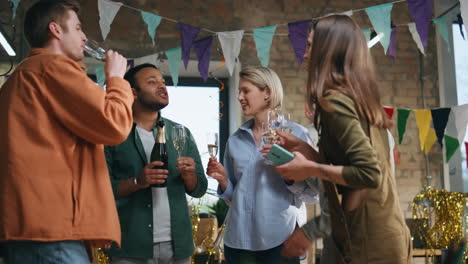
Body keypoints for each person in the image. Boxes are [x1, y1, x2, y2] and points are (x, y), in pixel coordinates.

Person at [0, 0, 133, 263]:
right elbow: (114, 124)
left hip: (24, 227)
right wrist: (117, 79)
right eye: (78, 27)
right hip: (52, 231)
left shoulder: (17, 79)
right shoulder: (53, 68)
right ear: (56, 30)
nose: (84, 36)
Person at [273, 15, 412, 264]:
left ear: (328, 51)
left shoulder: (334, 101)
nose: (304, 55)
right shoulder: (355, 98)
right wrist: (306, 149)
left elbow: (369, 173)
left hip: (370, 244)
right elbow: (351, 171)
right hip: (376, 235)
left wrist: (308, 168)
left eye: (309, 46)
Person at [206, 66, 319, 264]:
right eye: (239, 91)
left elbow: (313, 194)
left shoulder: (296, 135)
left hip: (280, 240)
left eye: (246, 91)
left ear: (267, 92)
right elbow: (235, 198)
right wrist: (223, 180)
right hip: (238, 241)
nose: (239, 97)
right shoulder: (235, 140)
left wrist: (288, 175)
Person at [105, 63, 208, 264]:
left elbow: (199, 189)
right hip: (130, 246)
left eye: (163, 81)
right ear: (133, 93)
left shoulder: (181, 133)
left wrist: (190, 178)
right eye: (152, 82)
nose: (162, 87)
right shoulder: (112, 134)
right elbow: (102, 190)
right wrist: (137, 181)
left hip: (179, 246)